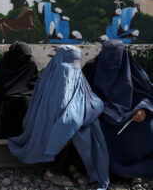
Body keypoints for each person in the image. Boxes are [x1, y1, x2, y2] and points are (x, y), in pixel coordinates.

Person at [8, 45, 109, 189]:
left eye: (76, 61)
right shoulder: (52, 76)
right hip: (46, 122)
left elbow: (87, 97)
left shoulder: (77, 74)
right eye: (69, 60)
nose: (72, 65)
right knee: (65, 131)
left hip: (72, 120)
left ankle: (72, 167)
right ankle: (51, 171)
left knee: (83, 129)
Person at [83, 40, 153, 179]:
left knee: (148, 129)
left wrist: (143, 109)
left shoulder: (132, 69)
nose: (112, 60)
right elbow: (82, 94)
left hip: (132, 114)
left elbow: (147, 93)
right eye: (108, 55)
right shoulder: (92, 68)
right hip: (101, 114)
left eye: (116, 55)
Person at [0, 42, 38, 137]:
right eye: (19, 55)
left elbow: (35, 86)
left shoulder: (30, 64)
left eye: (25, 56)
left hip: (23, 107)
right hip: (2, 110)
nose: (22, 58)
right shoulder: (3, 66)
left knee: (25, 101)